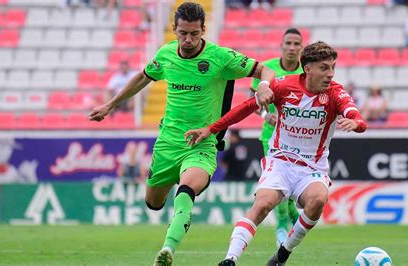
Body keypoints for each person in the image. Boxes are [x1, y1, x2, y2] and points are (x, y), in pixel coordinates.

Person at [89, 2, 274, 266]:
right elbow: (142, 77)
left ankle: (168, 249)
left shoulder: (219, 57)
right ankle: (177, 217)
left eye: (194, 34)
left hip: (202, 143)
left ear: (203, 31)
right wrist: (110, 104)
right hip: (167, 143)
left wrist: (264, 86)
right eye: (183, 33)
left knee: (187, 189)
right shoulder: (165, 54)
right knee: (153, 202)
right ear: (174, 29)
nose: (188, 40)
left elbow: (264, 69)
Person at [184, 41, 367, 266]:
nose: (330, 74)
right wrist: (211, 129)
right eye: (324, 67)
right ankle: (230, 260)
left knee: (318, 199)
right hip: (280, 160)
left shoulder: (335, 93)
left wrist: (355, 123)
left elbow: (358, 118)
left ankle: (283, 253)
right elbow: (246, 108)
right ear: (307, 69)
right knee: (263, 204)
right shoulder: (283, 86)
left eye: (332, 67)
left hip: (312, 167)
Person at [250, 27, 303, 247]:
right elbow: (252, 103)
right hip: (271, 138)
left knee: (291, 191)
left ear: (301, 48)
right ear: (281, 45)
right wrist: (265, 115)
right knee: (278, 185)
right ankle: (282, 225)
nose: (291, 47)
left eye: (296, 44)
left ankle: (293, 221)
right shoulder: (268, 69)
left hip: (299, 139)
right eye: (288, 43)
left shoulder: (306, 71)